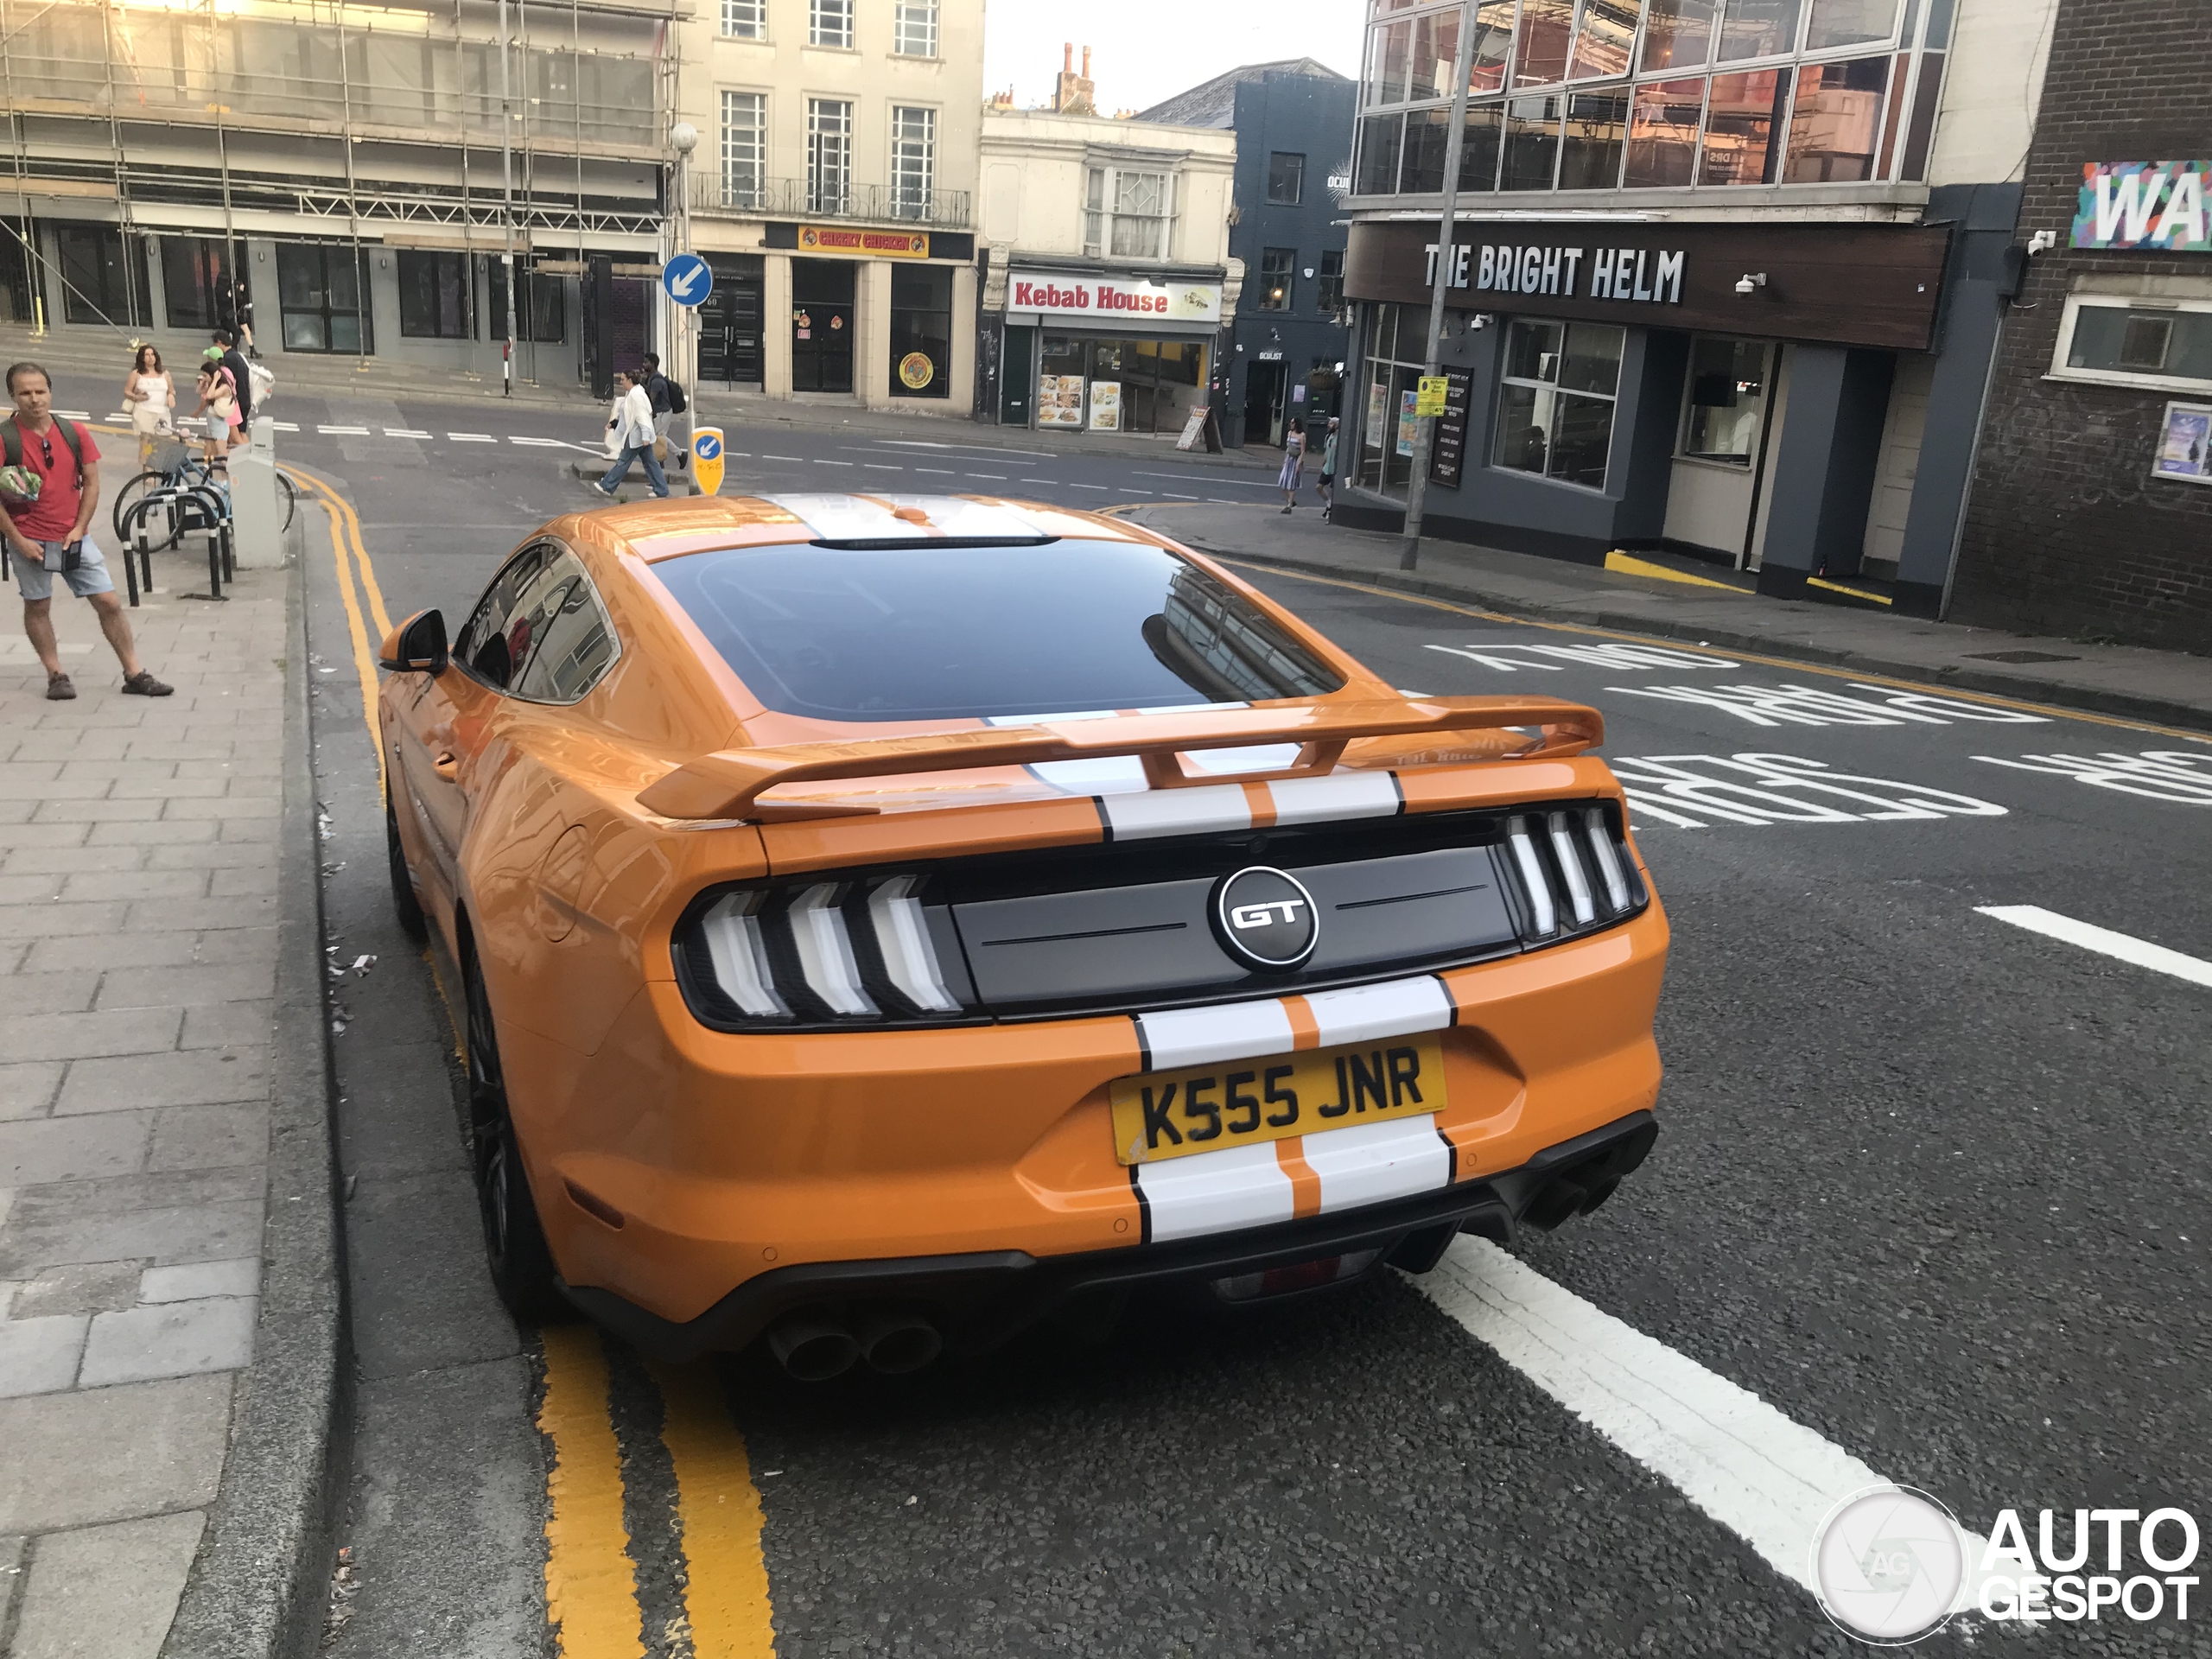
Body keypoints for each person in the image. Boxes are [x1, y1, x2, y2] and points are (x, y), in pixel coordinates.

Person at [0, 363, 170, 701]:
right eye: (25, 393)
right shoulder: (6, 439)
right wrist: (17, 540)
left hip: (73, 537)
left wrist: (80, 528)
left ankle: (134, 673)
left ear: (50, 391)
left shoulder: (73, 432)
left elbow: (91, 482)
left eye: (40, 391)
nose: (34, 399)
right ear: (13, 396)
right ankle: (56, 674)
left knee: (108, 601)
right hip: (28, 538)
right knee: (38, 605)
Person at [593, 370, 668, 499]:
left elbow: (642, 416)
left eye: (623, 379)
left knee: (623, 461)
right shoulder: (634, 393)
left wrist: (645, 436)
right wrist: (614, 423)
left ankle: (607, 485)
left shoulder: (636, 395)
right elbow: (627, 415)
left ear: (630, 380)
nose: (621, 382)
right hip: (638, 435)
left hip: (636, 436)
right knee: (650, 462)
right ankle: (661, 489)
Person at [123, 345, 174, 469]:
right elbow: (127, 391)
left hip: (162, 412)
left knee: (162, 441)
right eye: (147, 355)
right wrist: (137, 397)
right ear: (142, 358)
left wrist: (171, 396)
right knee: (146, 440)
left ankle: (157, 466)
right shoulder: (136, 374)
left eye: (152, 354)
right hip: (144, 410)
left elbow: (171, 390)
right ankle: (148, 471)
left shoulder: (164, 374)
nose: (151, 358)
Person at [191, 353, 238, 467]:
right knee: (214, 452)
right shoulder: (213, 385)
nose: (204, 377)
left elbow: (210, 396)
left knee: (222, 454)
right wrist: (204, 382)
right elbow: (198, 391)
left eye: (205, 375)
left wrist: (216, 379)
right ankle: (218, 477)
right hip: (212, 423)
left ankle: (230, 478)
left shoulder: (224, 387)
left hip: (219, 424)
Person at [639, 352, 689, 464]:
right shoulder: (651, 377)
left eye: (646, 363)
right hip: (659, 412)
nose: (643, 365)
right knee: (658, 437)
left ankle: (678, 455)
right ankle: (668, 457)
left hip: (663, 412)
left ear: (652, 364)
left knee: (659, 437)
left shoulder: (657, 381)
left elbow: (651, 400)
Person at [212, 329, 252, 447]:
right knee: (241, 432)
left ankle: (247, 458)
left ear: (219, 342)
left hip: (236, 402)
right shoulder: (237, 356)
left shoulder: (227, 359)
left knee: (235, 437)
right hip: (245, 399)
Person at [1277, 416, 1306, 513]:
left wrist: (1299, 464)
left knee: (1291, 484)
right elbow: (1288, 449)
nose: (1291, 424)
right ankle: (1292, 501)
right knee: (1283, 482)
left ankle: (1289, 506)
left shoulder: (1301, 436)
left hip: (1295, 460)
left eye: (1292, 423)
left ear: (1297, 424)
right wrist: (1285, 461)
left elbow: (1302, 451)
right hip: (1289, 459)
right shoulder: (1289, 434)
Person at [1318, 416, 1340, 523]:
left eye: (1331, 423)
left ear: (1336, 426)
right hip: (1327, 467)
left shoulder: (1339, 438)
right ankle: (1328, 503)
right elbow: (1326, 452)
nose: (1328, 425)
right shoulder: (1328, 437)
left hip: (1335, 469)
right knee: (1318, 487)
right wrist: (1323, 465)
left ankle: (1330, 512)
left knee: (1332, 491)